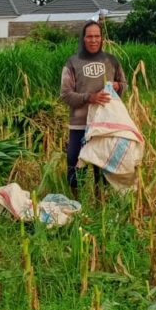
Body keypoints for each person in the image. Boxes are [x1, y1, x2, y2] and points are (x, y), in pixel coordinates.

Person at [59, 20, 127, 196]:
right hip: (79, 125)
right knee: (74, 164)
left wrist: (118, 86)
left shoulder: (111, 61)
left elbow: (124, 84)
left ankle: (100, 206)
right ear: (83, 38)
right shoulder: (72, 62)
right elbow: (65, 94)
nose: (93, 40)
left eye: (97, 36)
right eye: (89, 36)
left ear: (102, 38)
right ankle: (77, 204)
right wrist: (90, 97)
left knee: (102, 169)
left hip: (104, 125)